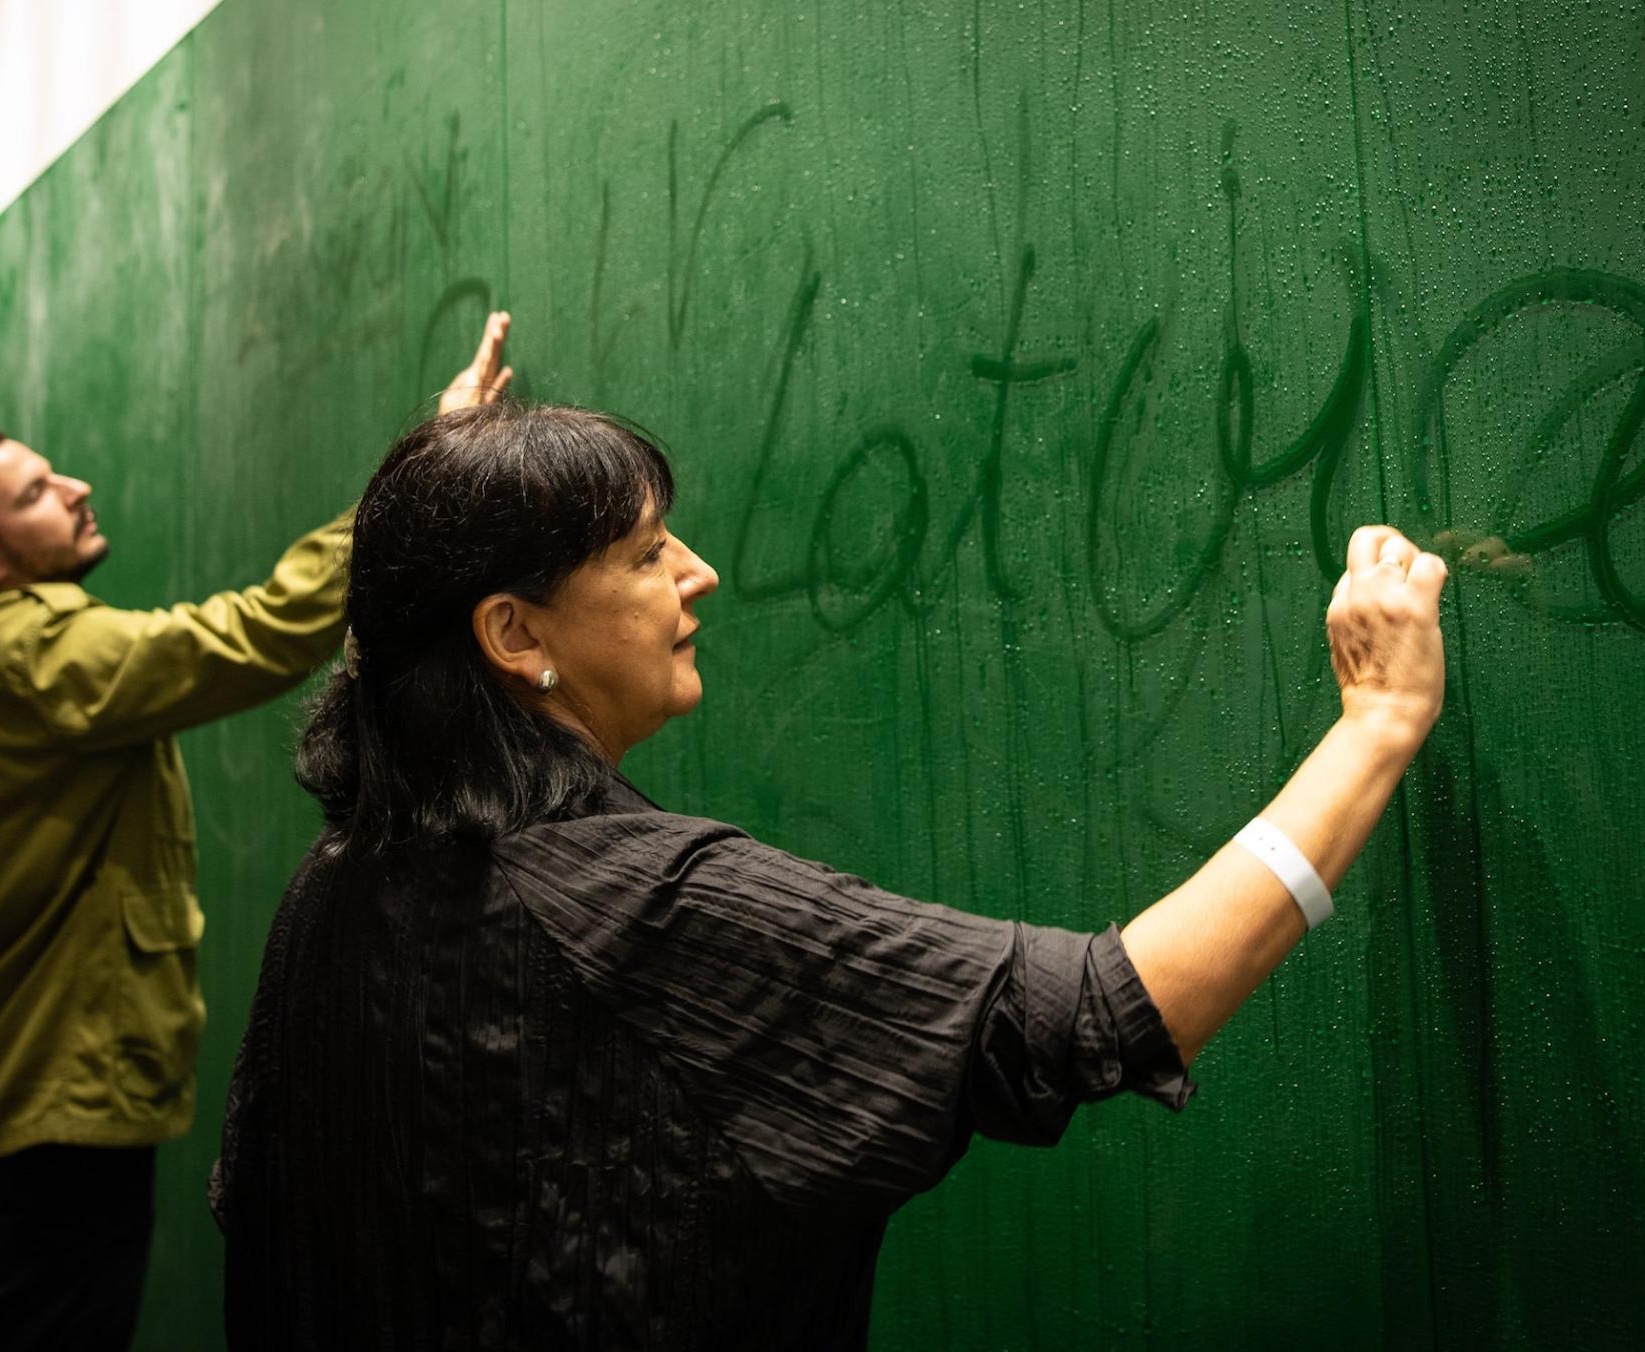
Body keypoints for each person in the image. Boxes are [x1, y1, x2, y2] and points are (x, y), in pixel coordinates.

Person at [213, 399, 1448, 1350]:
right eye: (645, 555)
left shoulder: (329, 888)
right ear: (514, 634)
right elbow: (1113, 1007)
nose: (695, 572)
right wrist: (1375, 726)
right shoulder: (644, 903)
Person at [0, 313, 516, 1352]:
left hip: (31, 1087)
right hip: (50, 1093)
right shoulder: (28, 652)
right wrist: (420, 474)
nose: (77, 486)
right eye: (37, 493)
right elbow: (259, 630)